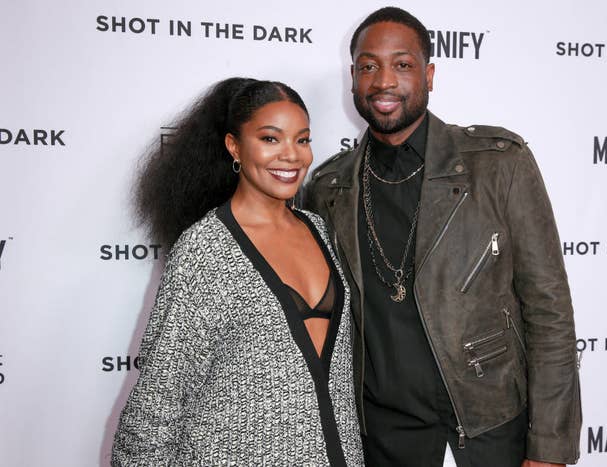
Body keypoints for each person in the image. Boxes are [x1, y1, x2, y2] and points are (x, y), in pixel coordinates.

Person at [304, 7, 581, 467]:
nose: (384, 81)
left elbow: (549, 309)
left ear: (429, 75)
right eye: (368, 66)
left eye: (403, 65)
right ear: (352, 79)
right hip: (384, 439)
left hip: (490, 429)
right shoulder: (331, 188)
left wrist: (550, 445)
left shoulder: (498, 166)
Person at [111, 78, 363, 466]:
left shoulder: (322, 230)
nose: (291, 156)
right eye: (270, 139)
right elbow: (156, 405)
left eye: (302, 139)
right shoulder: (205, 250)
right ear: (234, 146)